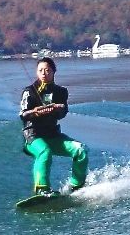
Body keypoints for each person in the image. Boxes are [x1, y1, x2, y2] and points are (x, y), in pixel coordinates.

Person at [19, 57, 89, 195]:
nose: (44, 73)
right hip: (33, 137)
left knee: (81, 150)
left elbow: (62, 113)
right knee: (45, 152)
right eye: (40, 70)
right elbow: (23, 115)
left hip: (53, 135)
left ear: (53, 72)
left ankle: (76, 185)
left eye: (47, 70)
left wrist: (57, 109)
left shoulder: (61, 92)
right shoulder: (29, 92)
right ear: (36, 73)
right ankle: (42, 189)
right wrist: (35, 112)